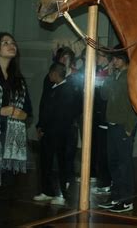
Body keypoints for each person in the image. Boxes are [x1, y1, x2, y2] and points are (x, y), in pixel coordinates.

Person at [0, 32, 32, 227]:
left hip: (11, 140)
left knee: (7, 189)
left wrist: (23, 115)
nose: (11, 45)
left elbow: (28, 110)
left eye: (13, 42)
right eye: (5, 43)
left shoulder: (18, 79)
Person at [33, 62, 81, 205]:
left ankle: (62, 194)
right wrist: (41, 126)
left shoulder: (68, 89)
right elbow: (45, 110)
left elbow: (64, 114)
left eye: (50, 73)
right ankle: (47, 191)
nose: (49, 76)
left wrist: (49, 127)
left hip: (61, 134)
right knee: (46, 163)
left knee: (60, 164)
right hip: (49, 133)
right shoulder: (53, 88)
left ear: (55, 73)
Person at [98, 45, 137, 213]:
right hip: (112, 124)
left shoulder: (131, 76)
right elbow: (104, 95)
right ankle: (115, 197)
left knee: (124, 165)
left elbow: (136, 103)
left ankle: (126, 200)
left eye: (115, 58)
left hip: (124, 126)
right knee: (113, 163)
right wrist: (109, 75)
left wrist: (129, 127)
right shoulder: (114, 76)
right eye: (112, 59)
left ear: (124, 59)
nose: (113, 61)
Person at [91, 51, 112, 194]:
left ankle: (106, 182)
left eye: (100, 56)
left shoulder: (108, 75)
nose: (97, 58)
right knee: (99, 151)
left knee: (105, 153)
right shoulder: (99, 72)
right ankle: (100, 179)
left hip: (105, 118)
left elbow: (103, 97)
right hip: (98, 117)